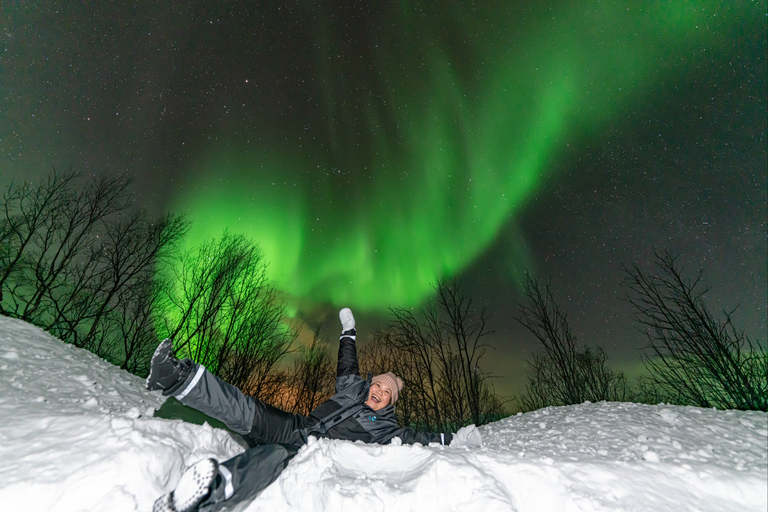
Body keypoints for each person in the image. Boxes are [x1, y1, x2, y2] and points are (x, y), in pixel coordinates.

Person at [147, 308, 483, 512]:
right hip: (297, 424)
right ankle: (176, 376)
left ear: (392, 403)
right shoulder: (353, 387)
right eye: (378, 386)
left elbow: (422, 438)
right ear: (371, 385)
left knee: (275, 455)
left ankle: (209, 491)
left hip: (310, 447)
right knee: (246, 408)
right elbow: (347, 362)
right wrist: (348, 332)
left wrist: (457, 439)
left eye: (387, 394)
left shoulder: (388, 429)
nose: (380, 393)